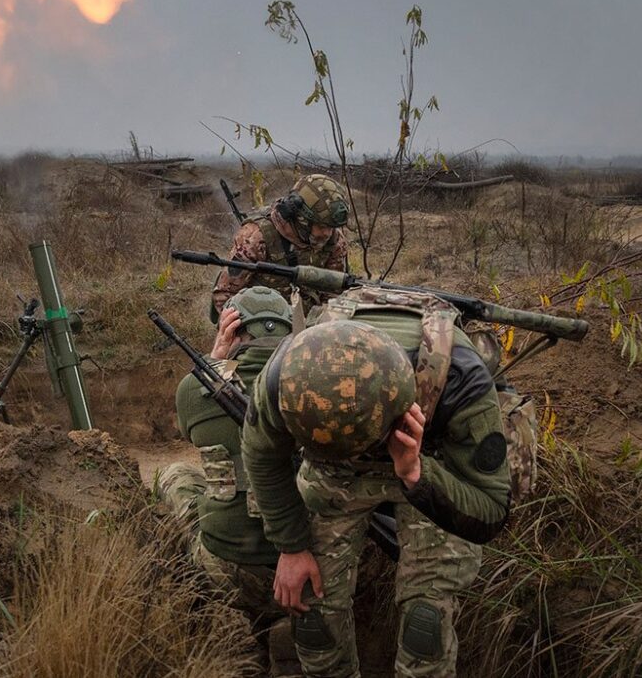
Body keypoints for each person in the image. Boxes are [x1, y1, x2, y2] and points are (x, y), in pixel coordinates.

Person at [242, 287, 512, 678]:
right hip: (334, 473)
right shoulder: (284, 377)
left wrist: (416, 473)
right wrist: (291, 546)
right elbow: (262, 456)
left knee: (425, 623)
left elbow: (492, 508)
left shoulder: (459, 379)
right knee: (312, 616)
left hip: (431, 457)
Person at [154, 287, 296, 671]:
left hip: (226, 569)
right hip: (305, 570)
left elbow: (190, 431)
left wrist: (216, 358)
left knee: (175, 474)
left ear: (231, 331)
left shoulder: (195, 388)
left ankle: (201, 602)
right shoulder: (317, 383)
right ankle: (286, 630)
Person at [212, 173, 351, 321]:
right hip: (263, 322)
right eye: (322, 226)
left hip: (312, 323)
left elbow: (335, 293)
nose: (327, 233)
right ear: (302, 219)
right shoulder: (256, 238)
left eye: (332, 227)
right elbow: (224, 297)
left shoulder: (334, 241)